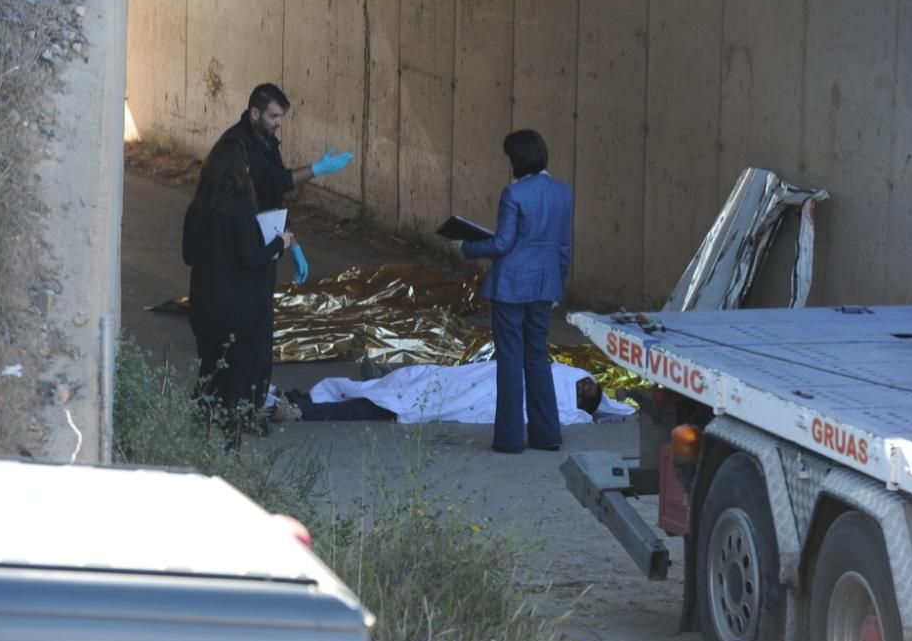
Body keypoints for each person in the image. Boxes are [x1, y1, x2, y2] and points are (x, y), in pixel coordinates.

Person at [457, 130, 574, 453]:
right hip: (544, 284)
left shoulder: (514, 194)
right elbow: (564, 247)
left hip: (510, 285)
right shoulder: (563, 192)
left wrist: (466, 247)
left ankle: (509, 439)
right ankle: (547, 434)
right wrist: (557, 287)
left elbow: (502, 243)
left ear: (518, 160)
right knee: (537, 357)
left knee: (510, 358)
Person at [181, 135, 294, 448]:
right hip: (238, 310)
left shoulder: (197, 208)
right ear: (238, 170)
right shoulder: (240, 208)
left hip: (203, 307)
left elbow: (188, 255)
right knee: (236, 378)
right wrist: (279, 243)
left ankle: (195, 433)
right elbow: (251, 258)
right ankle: (229, 442)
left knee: (210, 369)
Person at [220, 83, 353, 286]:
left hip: (262, 240)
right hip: (241, 239)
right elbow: (271, 183)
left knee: (261, 301)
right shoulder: (237, 145)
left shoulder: (267, 141)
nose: (279, 123)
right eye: (273, 116)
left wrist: (293, 243)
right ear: (255, 113)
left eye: (281, 116)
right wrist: (314, 170)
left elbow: (274, 197)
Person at [270, 361, 631, 434]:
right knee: (395, 388)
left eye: (589, 391)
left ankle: (301, 410)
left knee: (391, 403)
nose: (587, 385)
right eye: (589, 383)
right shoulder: (553, 373)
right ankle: (300, 401)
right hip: (459, 379)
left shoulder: (563, 403)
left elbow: (573, 414)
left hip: (459, 394)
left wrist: (596, 409)